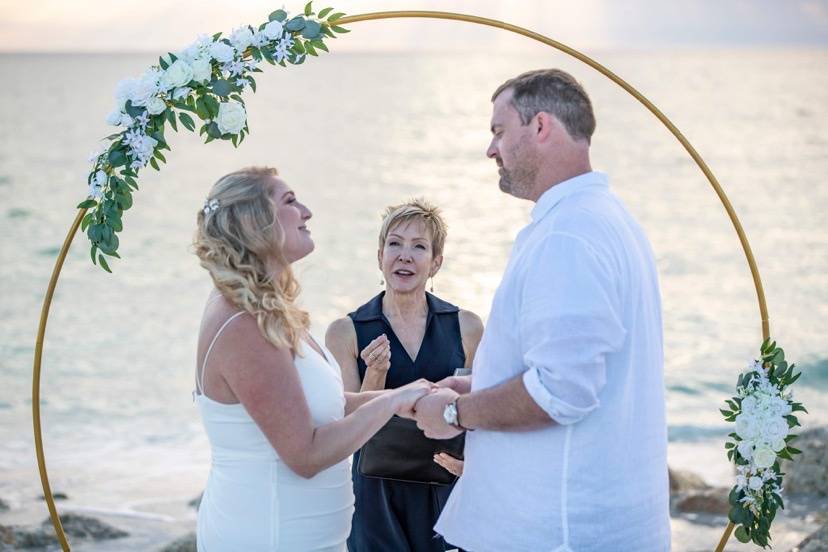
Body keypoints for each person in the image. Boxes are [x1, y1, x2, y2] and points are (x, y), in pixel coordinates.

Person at [413, 69, 671, 551]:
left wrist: (454, 411)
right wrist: (483, 384)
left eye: (498, 130)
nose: (491, 149)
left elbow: (561, 391)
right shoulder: (606, 220)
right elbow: (582, 369)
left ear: (541, 127)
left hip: (558, 532)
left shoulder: (568, 236)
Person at [191, 167, 432, 551]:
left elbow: (327, 408)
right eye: (289, 201)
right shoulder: (243, 322)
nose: (306, 211)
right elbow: (305, 454)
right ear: (256, 221)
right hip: (268, 536)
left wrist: (414, 395)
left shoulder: (265, 308)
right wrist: (391, 401)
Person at [326, 199, 483, 552]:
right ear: (380, 255)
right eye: (395, 244)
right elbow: (344, 425)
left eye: (419, 247)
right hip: (376, 493)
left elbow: (481, 410)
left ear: (436, 262)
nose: (405, 256)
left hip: (446, 487)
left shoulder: (467, 327)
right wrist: (377, 374)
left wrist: (473, 463)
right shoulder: (346, 331)